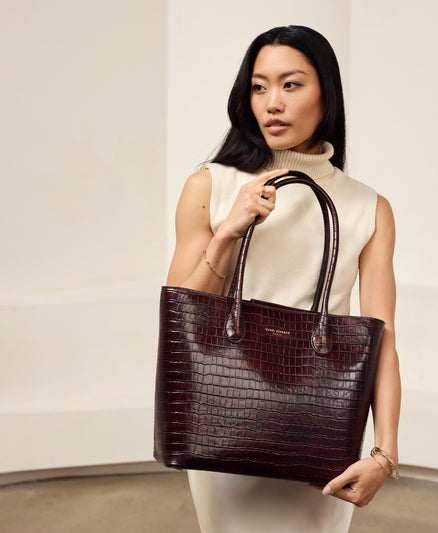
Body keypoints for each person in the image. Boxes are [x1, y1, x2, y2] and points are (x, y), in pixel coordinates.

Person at [166, 25, 401, 533]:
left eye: (291, 84)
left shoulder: (368, 207)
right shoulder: (210, 185)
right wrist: (229, 231)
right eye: (259, 87)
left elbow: (382, 340)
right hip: (224, 414)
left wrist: (384, 453)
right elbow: (182, 317)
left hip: (322, 425)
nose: (272, 102)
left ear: (326, 94)